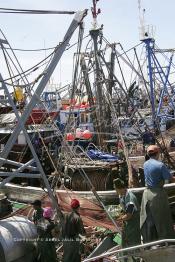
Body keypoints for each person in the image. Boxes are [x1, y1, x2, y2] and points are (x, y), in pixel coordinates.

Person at [140, 145, 175, 243]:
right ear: (158, 153)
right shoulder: (160, 165)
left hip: (146, 195)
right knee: (163, 220)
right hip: (157, 195)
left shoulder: (145, 164)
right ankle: (167, 242)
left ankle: (150, 242)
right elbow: (171, 179)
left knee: (149, 220)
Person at [113, 178, 141, 249]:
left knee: (134, 245)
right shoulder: (122, 196)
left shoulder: (130, 199)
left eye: (116, 189)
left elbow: (128, 215)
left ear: (120, 189)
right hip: (127, 226)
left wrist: (118, 219)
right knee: (123, 242)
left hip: (133, 225)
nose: (115, 191)